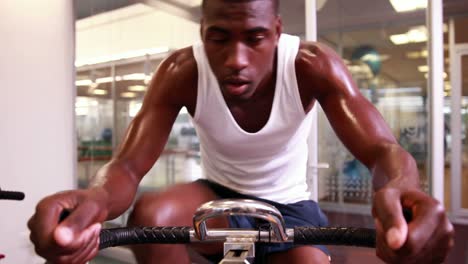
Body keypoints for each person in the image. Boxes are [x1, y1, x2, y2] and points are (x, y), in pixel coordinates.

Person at [28, 0, 454, 263]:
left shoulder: (311, 65)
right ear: (201, 33)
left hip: (290, 203)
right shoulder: (182, 71)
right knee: (151, 214)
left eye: (254, 38)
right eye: (219, 39)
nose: (236, 59)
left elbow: (382, 148)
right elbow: (128, 165)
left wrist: (401, 188)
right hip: (218, 195)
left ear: (277, 32)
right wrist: (97, 200)